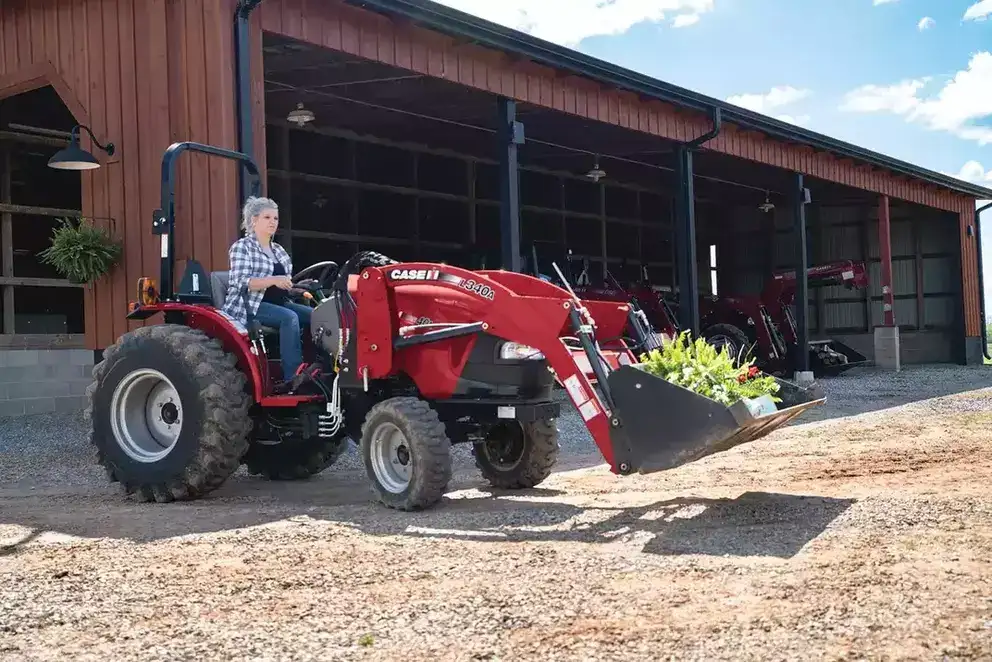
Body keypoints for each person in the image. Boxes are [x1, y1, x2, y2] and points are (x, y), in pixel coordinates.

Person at [222, 196, 312, 384]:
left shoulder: (279, 250)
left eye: (276, 218)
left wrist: (297, 286)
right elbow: (241, 282)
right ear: (254, 220)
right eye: (267, 218)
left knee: (317, 315)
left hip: (279, 302)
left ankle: (319, 368)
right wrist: (273, 280)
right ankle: (293, 377)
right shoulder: (242, 247)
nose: (273, 222)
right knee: (289, 318)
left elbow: (283, 283)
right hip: (250, 305)